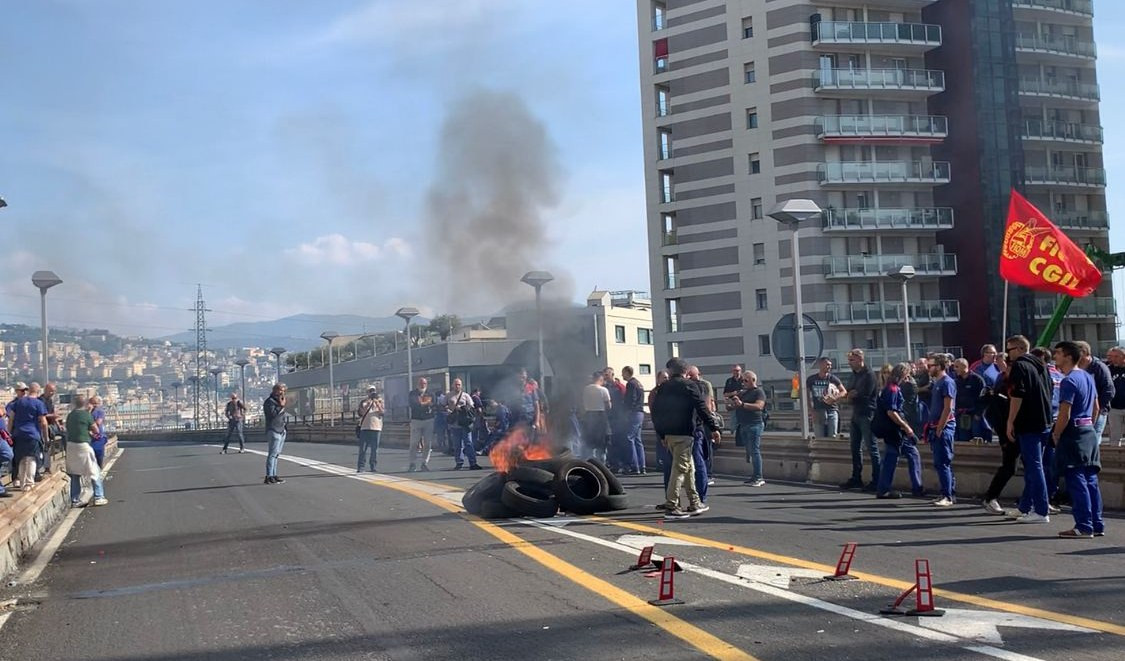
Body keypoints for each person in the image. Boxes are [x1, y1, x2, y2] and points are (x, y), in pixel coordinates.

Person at [651, 357, 720, 520]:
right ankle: (672, 505)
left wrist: (661, 434)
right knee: (681, 469)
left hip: (669, 433)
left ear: (671, 371)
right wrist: (713, 428)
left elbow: (656, 412)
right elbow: (702, 408)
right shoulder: (690, 386)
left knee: (689, 468)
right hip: (684, 432)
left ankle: (694, 502)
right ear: (686, 371)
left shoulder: (663, 388)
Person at [1050, 341, 1104, 538]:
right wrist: (1089, 424)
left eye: (1058, 353)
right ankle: (1096, 524)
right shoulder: (1087, 377)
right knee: (1090, 479)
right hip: (1088, 430)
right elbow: (1096, 407)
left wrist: (1057, 433)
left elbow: (1065, 412)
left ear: (1068, 356)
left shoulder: (1069, 380)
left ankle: (1083, 525)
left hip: (1073, 434)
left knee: (1076, 480)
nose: (1055, 356)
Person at [1005, 335, 1053, 523]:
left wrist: (1010, 421)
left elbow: (1018, 395)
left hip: (1029, 422)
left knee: (1034, 467)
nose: (1008, 355)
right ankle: (1025, 506)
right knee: (1036, 465)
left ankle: (1041, 511)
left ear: (1018, 349)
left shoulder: (1020, 366)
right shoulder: (1042, 366)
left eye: (1009, 350)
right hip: (1045, 421)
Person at [874, 363, 923, 499]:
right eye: (907, 375)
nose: (908, 379)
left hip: (894, 429)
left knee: (906, 455)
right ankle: (886, 489)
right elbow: (892, 412)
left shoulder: (888, 388)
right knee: (897, 457)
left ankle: (914, 487)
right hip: (895, 430)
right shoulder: (893, 389)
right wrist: (906, 427)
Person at [982, 359, 1020, 515]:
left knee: (1029, 467)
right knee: (1010, 467)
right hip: (1007, 431)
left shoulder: (1016, 383)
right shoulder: (1002, 386)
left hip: (1019, 429)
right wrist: (1003, 435)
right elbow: (995, 414)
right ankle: (991, 497)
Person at [842, 349, 880, 491]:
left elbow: (862, 394)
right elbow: (849, 392)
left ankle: (877, 480)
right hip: (856, 413)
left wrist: (852, 395)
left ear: (859, 359)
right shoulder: (854, 375)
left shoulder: (869, 375)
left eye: (852, 360)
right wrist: (850, 395)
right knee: (855, 447)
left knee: (872, 447)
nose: (849, 363)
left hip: (867, 414)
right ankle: (856, 478)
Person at [925, 354, 957, 506]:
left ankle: (948, 496)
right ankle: (947, 492)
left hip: (944, 426)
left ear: (938, 366)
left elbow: (948, 408)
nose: (928, 368)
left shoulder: (947, 383)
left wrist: (940, 427)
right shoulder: (938, 383)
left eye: (931, 365)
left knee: (943, 461)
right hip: (935, 425)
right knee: (941, 462)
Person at [64, 395, 107, 507]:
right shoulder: (86, 415)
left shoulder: (70, 415)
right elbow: (96, 429)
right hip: (83, 445)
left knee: (75, 473)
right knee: (94, 471)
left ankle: (75, 499)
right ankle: (99, 496)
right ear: (86, 404)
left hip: (70, 446)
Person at [730, 370, 766, 486]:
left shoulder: (758, 392)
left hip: (754, 424)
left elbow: (759, 406)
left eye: (746, 380)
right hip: (744, 424)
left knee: (755, 451)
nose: (743, 382)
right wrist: (732, 403)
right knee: (750, 451)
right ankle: (754, 475)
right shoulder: (743, 393)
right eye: (742, 380)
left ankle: (759, 477)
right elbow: (733, 406)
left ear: (753, 380)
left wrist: (743, 405)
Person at [11, 382, 49, 491]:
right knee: (31, 459)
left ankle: (22, 483)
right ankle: (29, 483)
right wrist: (46, 438)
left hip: (18, 434)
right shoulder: (38, 403)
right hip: (32, 435)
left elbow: (11, 419)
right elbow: (44, 422)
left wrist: (9, 433)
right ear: (37, 391)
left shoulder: (18, 402)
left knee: (21, 459)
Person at [1075, 341, 1114, 443]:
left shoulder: (1099, 367)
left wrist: (1099, 408)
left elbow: (1109, 389)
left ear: (1083, 353)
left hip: (1098, 411)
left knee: (1093, 441)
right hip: (1082, 412)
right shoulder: (1076, 367)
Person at [686, 365, 716, 494]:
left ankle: (707, 476)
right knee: (700, 454)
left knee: (702, 452)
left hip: (699, 423)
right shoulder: (690, 386)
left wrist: (711, 423)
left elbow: (707, 404)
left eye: (692, 375)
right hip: (697, 423)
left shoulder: (702, 386)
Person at [806, 358, 846, 439]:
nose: (829, 367)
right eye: (827, 364)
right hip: (818, 411)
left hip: (832, 410)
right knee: (819, 437)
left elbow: (844, 391)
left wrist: (834, 397)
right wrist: (811, 411)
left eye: (830, 365)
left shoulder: (833, 379)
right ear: (820, 365)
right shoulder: (811, 379)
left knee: (832, 436)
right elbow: (806, 395)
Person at [446, 378, 480, 470]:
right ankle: (459, 462)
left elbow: (472, 407)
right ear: (453, 385)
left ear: (461, 386)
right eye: (456, 384)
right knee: (457, 445)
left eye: (459, 385)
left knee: (468, 443)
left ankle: (473, 463)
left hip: (465, 424)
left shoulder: (466, 396)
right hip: (454, 424)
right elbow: (443, 405)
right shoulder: (449, 396)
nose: (457, 386)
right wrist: (448, 410)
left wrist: (463, 408)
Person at [970, 345, 1001, 442]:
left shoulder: (997, 367)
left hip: (995, 403)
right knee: (980, 429)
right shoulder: (977, 367)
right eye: (992, 353)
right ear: (985, 354)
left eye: (995, 353)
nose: (994, 355)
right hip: (981, 405)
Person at [952, 359, 986, 443]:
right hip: (961, 416)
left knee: (977, 440)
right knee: (963, 440)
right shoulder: (955, 381)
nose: (954, 369)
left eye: (957, 367)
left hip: (975, 415)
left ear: (964, 366)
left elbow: (984, 398)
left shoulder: (977, 380)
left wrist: (979, 414)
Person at [581, 371, 612, 463]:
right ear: (601, 379)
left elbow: (582, 403)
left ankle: (590, 462)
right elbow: (608, 405)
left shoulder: (586, 389)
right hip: (600, 416)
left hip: (588, 415)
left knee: (590, 440)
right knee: (601, 441)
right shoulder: (603, 390)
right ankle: (601, 463)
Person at [649, 370, 672, 490]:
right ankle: (661, 463)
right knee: (661, 444)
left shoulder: (671, 391)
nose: (666, 379)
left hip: (671, 424)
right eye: (663, 377)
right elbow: (653, 409)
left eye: (667, 377)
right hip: (660, 424)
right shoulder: (655, 392)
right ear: (658, 379)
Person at [407, 377, 436, 472]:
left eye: (424, 383)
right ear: (418, 384)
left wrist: (424, 403)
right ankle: (412, 463)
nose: (422, 385)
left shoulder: (431, 393)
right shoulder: (413, 393)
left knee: (428, 443)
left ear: (426, 384)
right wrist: (426, 403)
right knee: (414, 443)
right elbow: (414, 404)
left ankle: (424, 463)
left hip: (428, 420)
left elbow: (433, 404)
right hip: (416, 420)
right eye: (421, 383)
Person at [621, 366, 646, 475]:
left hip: (634, 413)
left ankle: (634, 466)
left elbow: (632, 399)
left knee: (629, 438)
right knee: (637, 439)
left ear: (627, 373)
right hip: (640, 413)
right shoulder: (638, 383)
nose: (622, 375)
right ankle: (642, 465)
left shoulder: (631, 384)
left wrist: (627, 411)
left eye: (623, 373)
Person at [263, 383, 289, 484]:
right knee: (272, 454)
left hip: (281, 430)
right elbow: (272, 415)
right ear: (275, 390)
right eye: (280, 390)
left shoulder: (279, 401)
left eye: (283, 390)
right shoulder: (269, 402)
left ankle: (274, 475)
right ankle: (269, 476)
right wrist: (281, 406)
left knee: (277, 454)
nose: (282, 392)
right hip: (273, 430)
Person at [355, 386, 384, 472]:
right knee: (363, 449)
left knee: (374, 449)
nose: (372, 393)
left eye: (373, 391)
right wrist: (368, 403)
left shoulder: (380, 401)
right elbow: (361, 413)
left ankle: (373, 466)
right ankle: (361, 466)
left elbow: (382, 412)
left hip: (376, 428)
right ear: (367, 392)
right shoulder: (363, 402)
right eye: (370, 391)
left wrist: (377, 403)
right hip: (365, 427)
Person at [39, 382, 59, 476]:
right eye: (51, 391)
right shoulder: (40, 401)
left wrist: (58, 424)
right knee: (43, 446)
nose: (52, 393)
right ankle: (41, 468)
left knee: (48, 445)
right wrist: (53, 415)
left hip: (50, 426)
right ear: (46, 390)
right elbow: (42, 415)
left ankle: (47, 467)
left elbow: (52, 412)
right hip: (42, 427)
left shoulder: (50, 401)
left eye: (54, 391)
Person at [1107, 346, 1125, 447]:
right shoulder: (1108, 369)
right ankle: (1115, 460)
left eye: (1116, 356)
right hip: (1114, 407)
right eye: (1112, 356)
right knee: (1114, 436)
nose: (1113, 359)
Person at [89, 395, 109, 467]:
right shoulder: (86, 412)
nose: (95, 405)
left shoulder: (100, 411)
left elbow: (98, 422)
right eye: (93, 403)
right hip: (89, 438)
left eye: (96, 403)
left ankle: (98, 473)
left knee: (98, 458)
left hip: (97, 438)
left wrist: (89, 424)